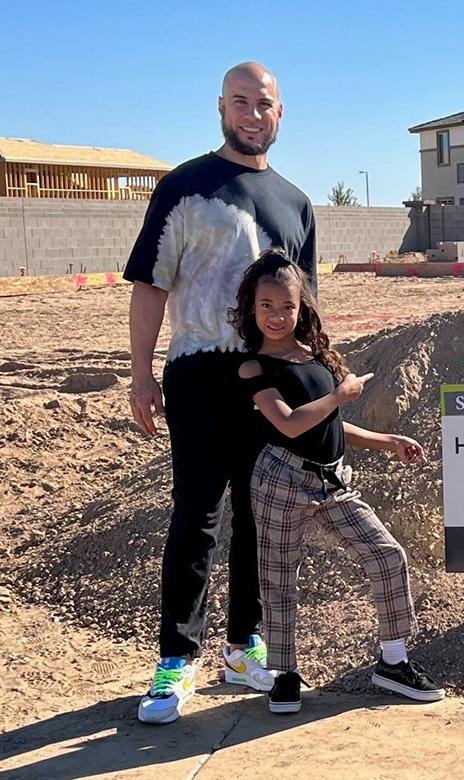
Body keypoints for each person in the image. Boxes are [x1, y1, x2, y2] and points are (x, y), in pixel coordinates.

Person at [125, 61, 317, 724]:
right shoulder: (184, 187)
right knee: (197, 517)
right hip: (200, 375)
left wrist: (316, 382)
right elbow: (151, 283)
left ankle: (243, 648)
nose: (252, 115)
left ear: (280, 112)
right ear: (220, 108)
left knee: (261, 518)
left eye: (263, 104)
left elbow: (305, 309)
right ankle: (176, 660)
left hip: (271, 381)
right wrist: (141, 374)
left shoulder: (296, 203)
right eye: (240, 102)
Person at [231, 250, 444, 713]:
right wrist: (339, 394)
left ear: (301, 307)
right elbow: (289, 424)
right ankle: (284, 676)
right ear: (251, 307)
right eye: (266, 305)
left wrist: (389, 441)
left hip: (331, 480)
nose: (276, 316)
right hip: (280, 479)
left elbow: (328, 424)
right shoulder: (253, 367)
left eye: (286, 306)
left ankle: (393, 662)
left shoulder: (316, 357)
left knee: (387, 555)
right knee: (280, 580)